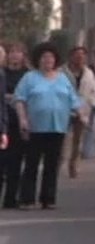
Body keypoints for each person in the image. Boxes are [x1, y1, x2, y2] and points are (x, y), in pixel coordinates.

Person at [14, 42, 81, 210]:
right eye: (44, 57)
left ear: (55, 60)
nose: (47, 60)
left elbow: (74, 101)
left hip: (57, 127)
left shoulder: (62, 78)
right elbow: (19, 99)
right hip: (35, 127)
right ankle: (27, 199)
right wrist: (23, 119)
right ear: (38, 60)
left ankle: (48, 198)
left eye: (50, 57)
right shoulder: (29, 78)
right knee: (32, 164)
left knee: (52, 165)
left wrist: (79, 114)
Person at [61, 47, 95, 179]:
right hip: (64, 111)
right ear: (71, 57)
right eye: (77, 55)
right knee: (63, 140)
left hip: (82, 111)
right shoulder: (62, 72)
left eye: (82, 56)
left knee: (78, 141)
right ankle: (58, 163)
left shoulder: (89, 73)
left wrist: (91, 104)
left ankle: (74, 166)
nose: (80, 58)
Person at [1, 43, 28, 208]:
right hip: (3, 122)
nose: (14, 55)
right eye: (11, 52)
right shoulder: (2, 73)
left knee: (15, 163)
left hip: (18, 123)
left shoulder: (28, 76)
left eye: (18, 52)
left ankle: (10, 198)